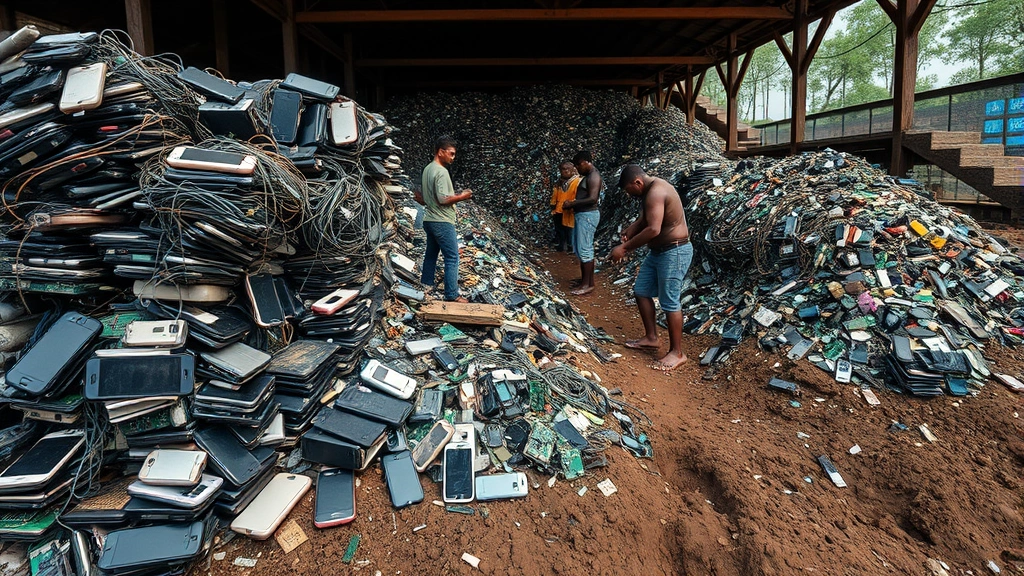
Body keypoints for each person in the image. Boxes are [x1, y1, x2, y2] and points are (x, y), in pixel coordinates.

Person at [609, 164, 693, 371]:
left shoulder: (656, 191)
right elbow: (647, 217)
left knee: (669, 301)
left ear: (637, 182)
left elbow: (654, 229)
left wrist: (624, 248)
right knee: (642, 291)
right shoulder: (650, 189)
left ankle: (677, 353)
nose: (631, 195)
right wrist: (633, 227)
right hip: (659, 252)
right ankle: (651, 338)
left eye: (630, 190)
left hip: (674, 252)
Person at [420, 136, 473, 303]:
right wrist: (463, 196)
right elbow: (443, 199)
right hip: (442, 221)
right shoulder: (441, 172)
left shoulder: (428, 168)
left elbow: (424, 197)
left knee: (431, 254)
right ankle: (452, 295)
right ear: (440, 152)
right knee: (452, 257)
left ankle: (426, 284)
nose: (453, 157)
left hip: (429, 219)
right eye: (451, 153)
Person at [564, 150, 601, 295]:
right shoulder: (588, 176)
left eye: (579, 165)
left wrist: (573, 203)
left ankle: (588, 284)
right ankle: (584, 280)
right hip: (583, 216)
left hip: (587, 216)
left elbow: (593, 198)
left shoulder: (594, 177)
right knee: (580, 249)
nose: (577, 169)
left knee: (585, 250)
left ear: (586, 162)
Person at [549, 160, 580, 252]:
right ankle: (561, 245)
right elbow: (554, 195)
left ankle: (571, 247)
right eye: (563, 169)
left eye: (568, 169)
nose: (566, 171)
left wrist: (573, 205)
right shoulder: (559, 182)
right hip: (558, 210)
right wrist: (553, 207)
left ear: (573, 169)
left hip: (569, 210)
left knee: (569, 229)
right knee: (560, 229)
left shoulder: (577, 182)